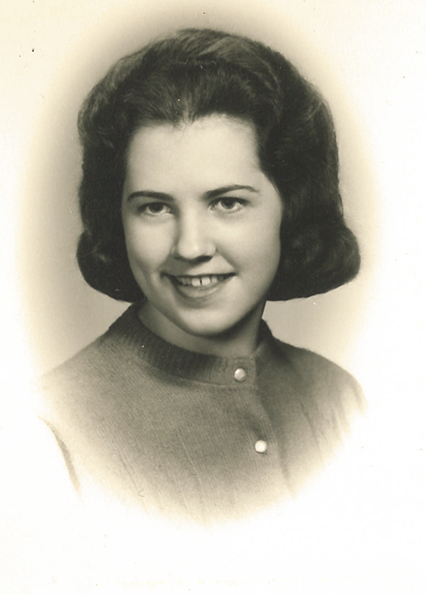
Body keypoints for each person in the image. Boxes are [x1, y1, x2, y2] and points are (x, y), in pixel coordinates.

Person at [39, 28, 366, 524]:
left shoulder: (340, 398)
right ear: (118, 220)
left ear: (291, 207)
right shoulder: (51, 427)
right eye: (154, 207)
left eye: (227, 203)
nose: (190, 247)